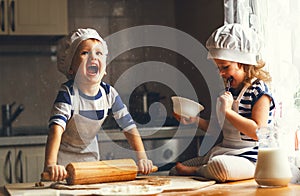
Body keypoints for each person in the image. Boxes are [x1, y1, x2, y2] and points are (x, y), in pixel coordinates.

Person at [169, 23, 275, 182]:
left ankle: (199, 170)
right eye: (218, 68)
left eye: (225, 67)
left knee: (220, 168)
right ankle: (202, 169)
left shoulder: (259, 91)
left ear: (243, 62)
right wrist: (195, 120)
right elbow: (218, 130)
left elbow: (257, 132)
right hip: (225, 152)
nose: (221, 73)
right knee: (173, 171)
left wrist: (228, 112)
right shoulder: (228, 90)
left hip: (251, 158)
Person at [44, 28, 153, 181]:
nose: (93, 57)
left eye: (98, 53)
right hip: (62, 163)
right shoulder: (68, 94)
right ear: (70, 68)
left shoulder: (109, 94)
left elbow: (129, 127)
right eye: (84, 53)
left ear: (105, 69)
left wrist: (142, 158)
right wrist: (51, 164)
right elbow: (56, 130)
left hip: (91, 162)